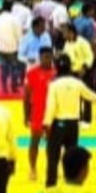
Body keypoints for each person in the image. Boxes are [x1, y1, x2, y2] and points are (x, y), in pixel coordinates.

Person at [43, 53, 96, 188]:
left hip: (58, 124)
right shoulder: (77, 83)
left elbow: (51, 106)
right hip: (73, 125)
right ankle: (72, 185)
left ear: (56, 68)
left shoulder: (54, 85)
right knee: (71, 158)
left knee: (53, 158)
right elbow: (91, 96)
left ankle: (51, 186)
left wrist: (47, 124)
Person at [24, 47, 55, 181]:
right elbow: (26, 96)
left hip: (53, 114)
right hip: (37, 112)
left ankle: (51, 167)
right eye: (44, 57)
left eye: (49, 57)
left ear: (52, 57)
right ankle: (32, 168)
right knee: (34, 141)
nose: (47, 60)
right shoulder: (31, 73)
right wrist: (26, 115)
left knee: (52, 144)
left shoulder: (57, 73)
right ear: (40, 58)